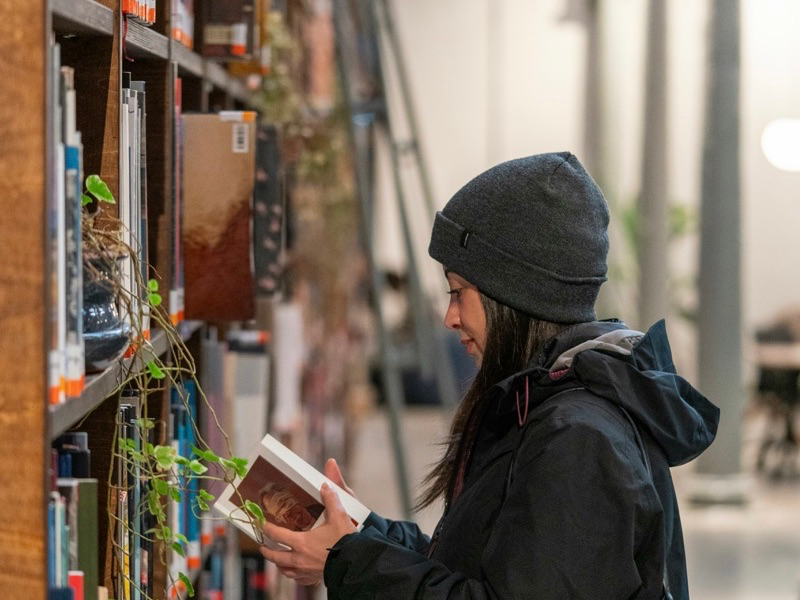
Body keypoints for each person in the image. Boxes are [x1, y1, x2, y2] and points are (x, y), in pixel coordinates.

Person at [259, 151, 720, 598]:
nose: (449, 317)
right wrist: (361, 532)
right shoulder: (538, 405)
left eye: (459, 292)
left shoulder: (578, 441)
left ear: (513, 295)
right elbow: (480, 569)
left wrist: (349, 561)